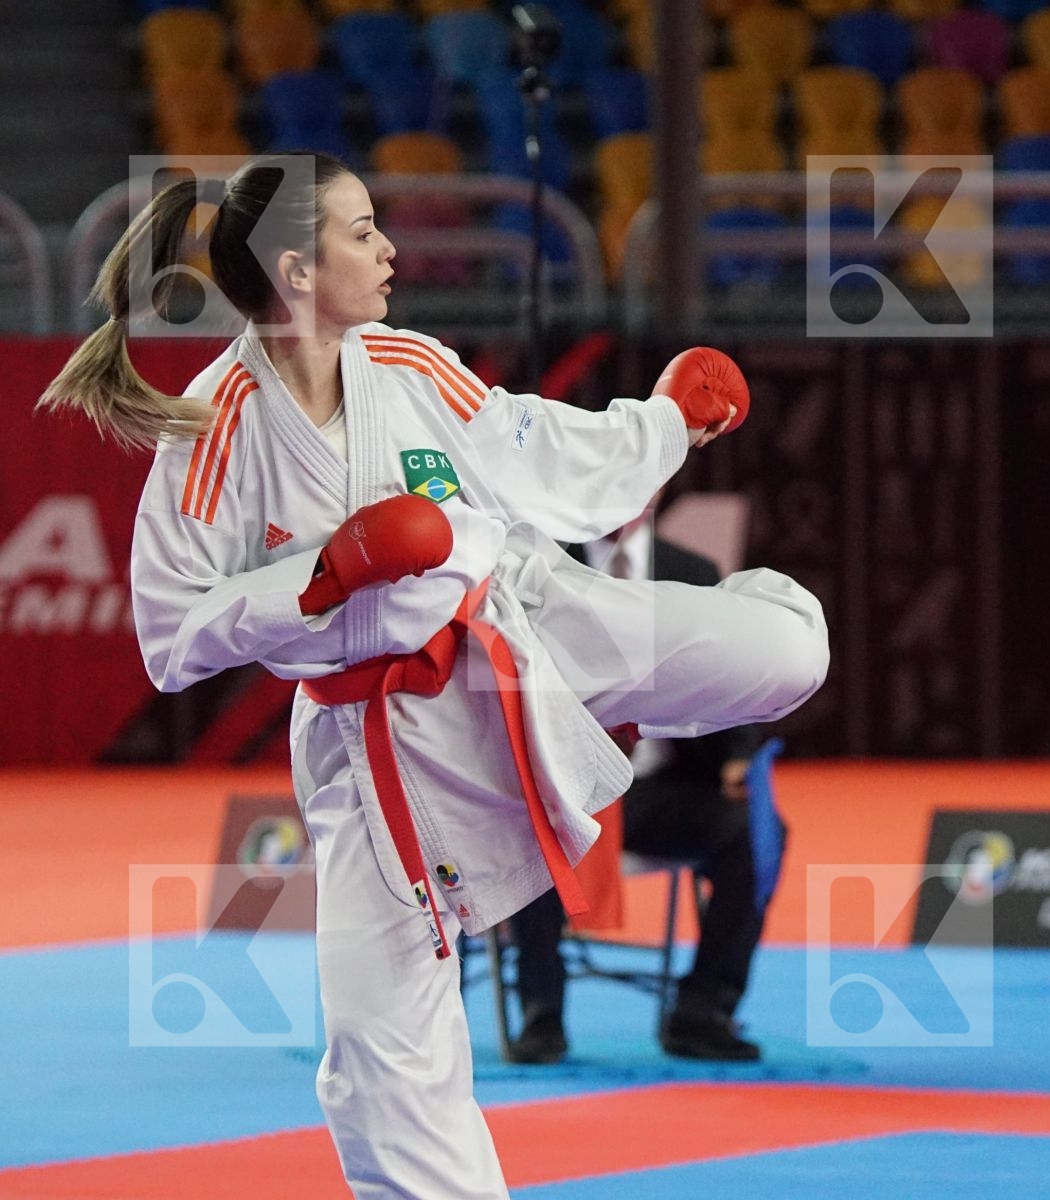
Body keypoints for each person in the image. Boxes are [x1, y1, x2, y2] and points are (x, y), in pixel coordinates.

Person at [37, 152, 830, 1199]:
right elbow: (167, 634)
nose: (390, 250)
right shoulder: (216, 426)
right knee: (379, 1051)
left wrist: (667, 421)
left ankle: (762, 600)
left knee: (788, 654)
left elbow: (537, 448)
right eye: (363, 232)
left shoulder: (406, 363)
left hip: (530, 621)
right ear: (298, 270)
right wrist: (316, 582)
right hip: (380, 745)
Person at [509, 505, 780, 1064]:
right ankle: (541, 1014)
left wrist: (735, 758)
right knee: (531, 824)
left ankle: (703, 1010)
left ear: (657, 485)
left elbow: (731, 678)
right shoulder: (534, 565)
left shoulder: (694, 572)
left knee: (753, 833)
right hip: (561, 779)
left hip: (656, 788)